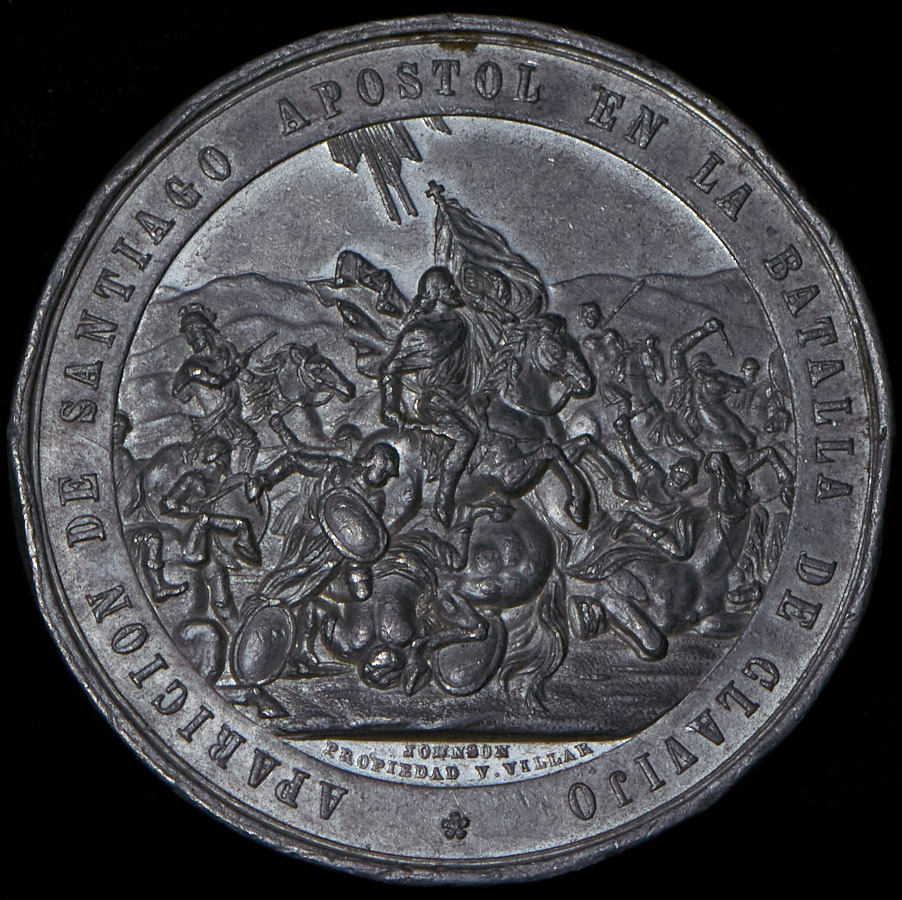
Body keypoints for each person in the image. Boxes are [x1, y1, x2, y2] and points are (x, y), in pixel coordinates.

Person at [379, 266, 479, 526]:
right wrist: (390, 404)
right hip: (436, 402)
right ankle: (444, 497)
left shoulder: (460, 325)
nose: (454, 290)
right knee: (466, 437)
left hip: (462, 397)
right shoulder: (419, 333)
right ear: (435, 293)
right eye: (448, 286)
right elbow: (390, 368)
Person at [246, 440, 400, 603]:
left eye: (388, 475)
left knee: (307, 586)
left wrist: (358, 570)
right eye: (384, 471)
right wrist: (264, 479)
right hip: (308, 533)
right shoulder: (337, 469)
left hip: (334, 552)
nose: (385, 478)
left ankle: (276, 605)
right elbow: (295, 460)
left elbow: (365, 535)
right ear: (372, 461)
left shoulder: (376, 497)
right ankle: (261, 603)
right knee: (292, 572)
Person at [161, 436, 260, 625]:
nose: (229, 459)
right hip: (198, 536)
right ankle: (244, 539)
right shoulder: (193, 479)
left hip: (216, 545)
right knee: (236, 523)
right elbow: (167, 504)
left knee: (222, 600)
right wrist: (191, 509)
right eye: (227, 455)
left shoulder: (225, 483)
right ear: (218, 457)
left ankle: (238, 631)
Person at [172, 303, 260, 472]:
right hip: (216, 423)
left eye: (192, 334)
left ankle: (242, 478)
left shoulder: (224, 354)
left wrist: (240, 365)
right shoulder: (192, 366)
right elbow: (215, 382)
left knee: (249, 443)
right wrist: (235, 368)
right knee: (247, 443)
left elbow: (248, 378)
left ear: (204, 331)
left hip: (232, 418)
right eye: (188, 335)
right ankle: (241, 479)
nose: (190, 340)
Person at [112, 411, 188, 603]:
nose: (118, 431)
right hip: (122, 516)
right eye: (115, 427)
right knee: (151, 537)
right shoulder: (115, 456)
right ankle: (158, 586)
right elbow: (121, 486)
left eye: (121, 428)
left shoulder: (124, 455)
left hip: (130, 508)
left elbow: (130, 478)